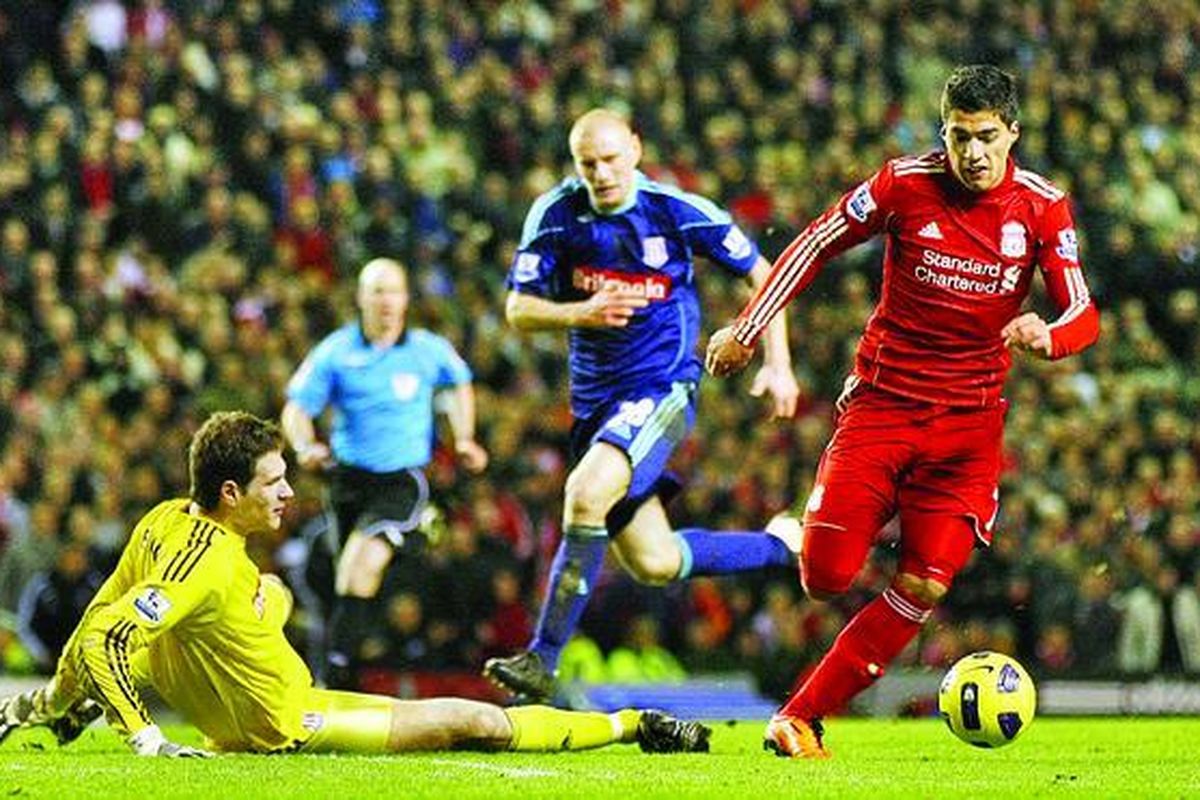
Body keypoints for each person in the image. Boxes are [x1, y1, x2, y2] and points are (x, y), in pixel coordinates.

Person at [706, 64, 1100, 758]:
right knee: (825, 577)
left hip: (968, 432)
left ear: (1012, 132)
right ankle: (809, 531)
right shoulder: (904, 184)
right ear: (941, 132)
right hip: (884, 409)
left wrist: (1051, 335)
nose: (971, 153)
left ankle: (798, 718)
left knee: (922, 583)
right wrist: (746, 326)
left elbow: (1083, 311)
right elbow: (815, 241)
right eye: (957, 136)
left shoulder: (1042, 206)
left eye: (985, 137)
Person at [0, 411, 710, 756]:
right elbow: (110, 635)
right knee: (476, 722)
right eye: (273, 482)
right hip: (290, 726)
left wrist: (53, 704)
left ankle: (635, 724)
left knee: (268, 600)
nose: (287, 494)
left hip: (280, 688)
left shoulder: (164, 521)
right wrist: (147, 739)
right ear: (229, 489)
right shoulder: (206, 562)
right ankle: (631, 725)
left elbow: (100, 623)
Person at [483, 108, 802, 702]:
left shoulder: (677, 211)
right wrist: (580, 312)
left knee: (584, 492)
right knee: (654, 561)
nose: (602, 173)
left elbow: (768, 276)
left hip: (661, 388)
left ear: (635, 148)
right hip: (593, 407)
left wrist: (778, 365)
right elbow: (518, 309)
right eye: (588, 164)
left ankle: (540, 661)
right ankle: (783, 546)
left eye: (610, 158)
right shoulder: (556, 216)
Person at [281, 257, 489, 689]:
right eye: (377, 291)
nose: (387, 302)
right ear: (360, 298)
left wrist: (465, 437)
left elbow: (458, 383)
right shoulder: (337, 352)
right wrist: (304, 446)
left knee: (360, 566)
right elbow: (297, 408)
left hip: (401, 482)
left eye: (394, 291)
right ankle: (345, 679)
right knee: (342, 580)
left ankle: (332, 685)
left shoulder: (427, 350)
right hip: (346, 483)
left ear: (406, 298)